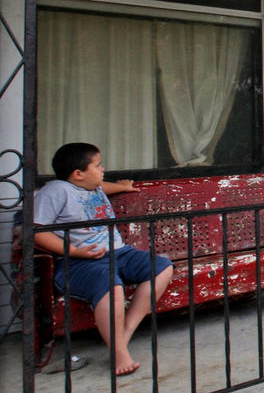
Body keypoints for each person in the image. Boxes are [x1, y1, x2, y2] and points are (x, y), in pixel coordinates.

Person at [34, 143, 174, 376]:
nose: (103, 169)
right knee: (112, 285)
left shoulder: (92, 186)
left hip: (118, 253)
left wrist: (122, 187)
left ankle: (124, 335)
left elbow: (101, 186)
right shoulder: (56, 191)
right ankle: (120, 353)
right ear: (78, 174)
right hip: (80, 262)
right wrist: (75, 252)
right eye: (97, 166)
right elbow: (37, 231)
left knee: (161, 267)